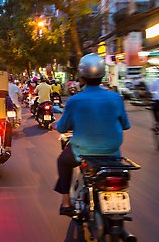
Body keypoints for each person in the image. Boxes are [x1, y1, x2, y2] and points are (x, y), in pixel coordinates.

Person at [53, 53, 131, 216]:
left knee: (63, 161)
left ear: (82, 76)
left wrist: (56, 126)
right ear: (102, 74)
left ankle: (66, 202)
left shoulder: (75, 100)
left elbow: (63, 127)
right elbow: (125, 125)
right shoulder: (116, 97)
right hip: (112, 153)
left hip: (82, 153)